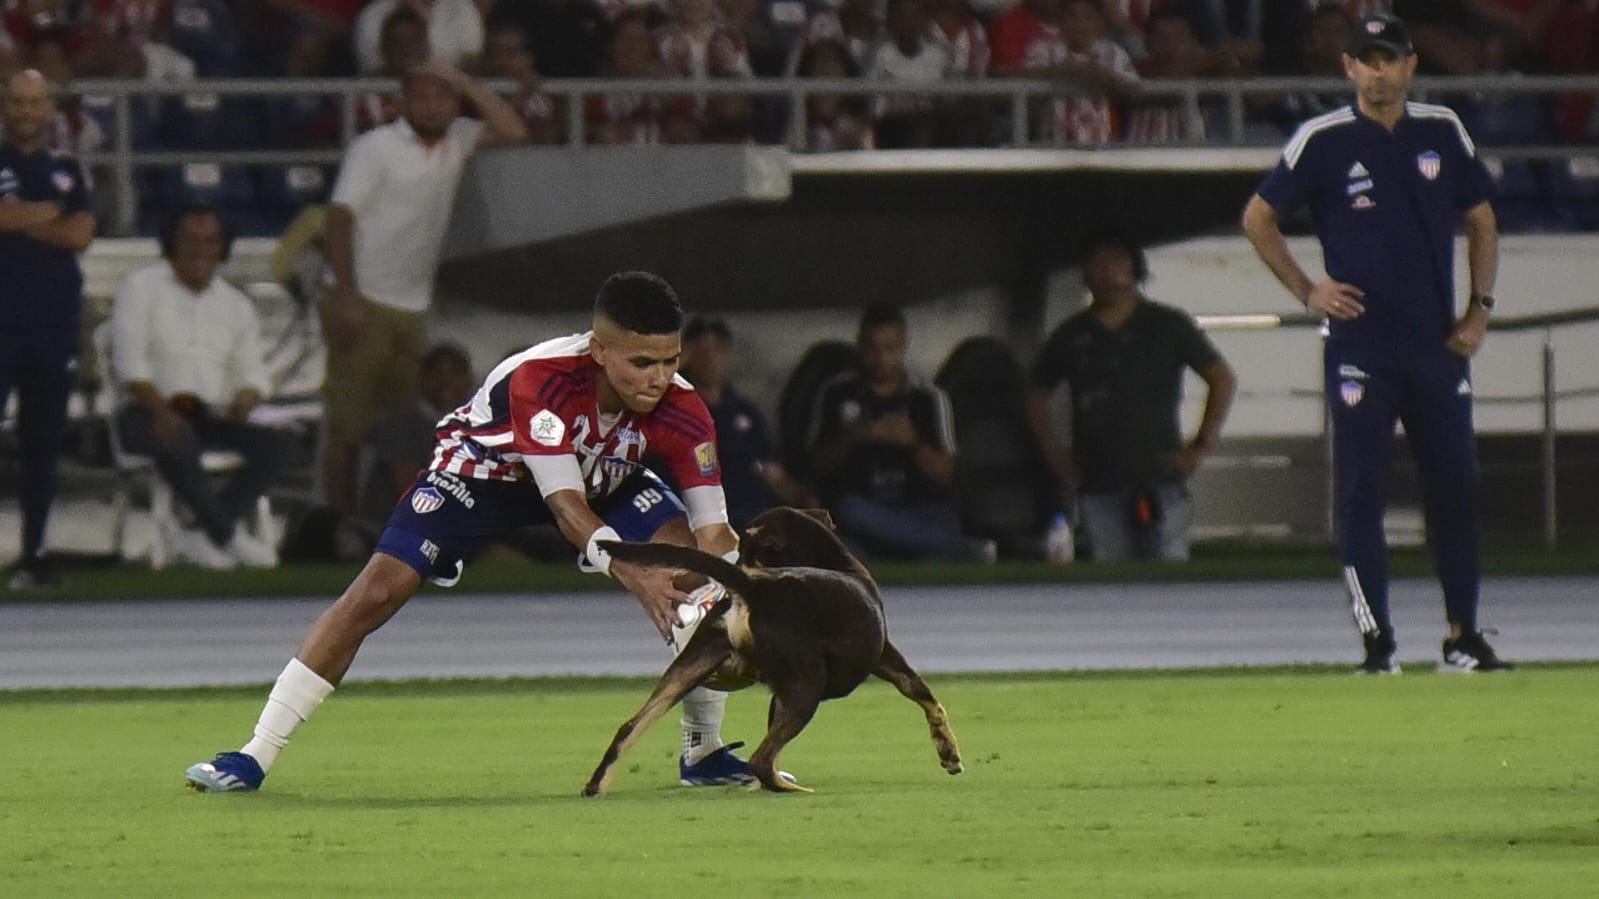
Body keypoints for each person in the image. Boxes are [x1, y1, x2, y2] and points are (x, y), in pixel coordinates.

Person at [185, 272, 775, 793]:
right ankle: (254, 752)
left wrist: (737, 593)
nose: (659, 378)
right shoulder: (541, 382)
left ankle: (702, 751)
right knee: (377, 590)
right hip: (485, 474)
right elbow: (565, 508)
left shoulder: (684, 408)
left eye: (670, 361)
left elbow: (714, 531)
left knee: (695, 574)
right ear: (599, 351)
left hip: (604, 476)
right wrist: (633, 574)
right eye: (641, 363)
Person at [1241, 13, 1509, 674]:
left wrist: (1477, 311)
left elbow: (1481, 221)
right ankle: (1376, 640)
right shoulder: (1323, 139)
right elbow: (1258, 216)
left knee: (1453, 487)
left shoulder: (1440, 130)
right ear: (1348, 68)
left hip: (1435, 344)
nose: (1378, 71)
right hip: (1360, 344)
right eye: (1366, 59)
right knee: (1360, 490)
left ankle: (1463, 636)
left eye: (1389, 58)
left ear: (1409, 66)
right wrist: (1308, 290)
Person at [320, 63, 528, 516]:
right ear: (402, 100)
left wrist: (468, 81)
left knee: (403, 425)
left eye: (443, 96)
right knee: (349, 424)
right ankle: (334, 527)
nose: (433, 105)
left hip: (411, 304)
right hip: (367, 296)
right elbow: (338, 217)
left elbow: (514, 131)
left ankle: (393, 524)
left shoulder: (458, 140)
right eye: (423, 96)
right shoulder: (375, 147)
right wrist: (346, 294)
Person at [1024, 228, 1236, 563]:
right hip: (1098, 479)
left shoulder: (1167, 325)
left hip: (1157, 475)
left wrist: (1201, 445)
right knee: (1109, 567)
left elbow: (1221, 378)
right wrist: (1054, 452)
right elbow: (1035, 394)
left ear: (1134, 267)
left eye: (1115, 261)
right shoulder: (1073, 334)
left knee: (1165, 559)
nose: (1106, 272)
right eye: (1096, 263)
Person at [110, 203, 291, 570]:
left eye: (210, 241)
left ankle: (199, 531)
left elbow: (253, 372)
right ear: (171, 243)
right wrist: (160, 410)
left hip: (208, 414)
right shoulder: (141, 287)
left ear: (222, 248)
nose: (200, 250)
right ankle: (226, 534)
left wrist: (247, 395)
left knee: (280, 444)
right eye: (189, 240)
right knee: (178, 436)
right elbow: (128, 364)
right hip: (146, 410)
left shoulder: (235, 304)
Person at [0, 69, 96, 590]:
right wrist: (46, 216)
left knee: (43, 445)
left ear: (50, 107)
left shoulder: (66, 165)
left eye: (35, 102)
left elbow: (82, 233)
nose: (25, 112)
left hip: (53, 327)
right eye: (16, 101)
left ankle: (34, 555)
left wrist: (20, 218)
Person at [807, 304, 994, 563]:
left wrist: (912, 443)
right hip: (860, 516)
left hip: (919, 511)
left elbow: (948, 473)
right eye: (873, 349)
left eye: (890, 349)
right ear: (860, 347)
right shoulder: (836, 393)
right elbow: (816, 466)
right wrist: (853, 437)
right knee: (846, 516)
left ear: (903, 348)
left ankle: (915, 547)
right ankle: (952, 549)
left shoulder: (929, 398)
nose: (882, 359)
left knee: (945, 525)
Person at [679, 316, 814, 530]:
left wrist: (804, 499)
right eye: (702, 351)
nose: (710, 359)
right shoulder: (675, 410)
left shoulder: (745, 411)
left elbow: (772, 472)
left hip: (754, 512)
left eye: (718, 350)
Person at [354, 342, 474, 533]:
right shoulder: (400, 424)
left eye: (454, 374)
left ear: (468, 381)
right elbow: (410, 490)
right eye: (437, 374)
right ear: (422, 380)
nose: (445, 382)